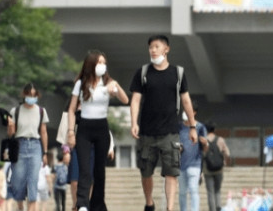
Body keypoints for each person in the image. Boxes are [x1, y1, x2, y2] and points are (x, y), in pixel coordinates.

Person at [129, 34, 200, 211]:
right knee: (146, 173)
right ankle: (149, 202)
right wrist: (133, 122)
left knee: (171, 173)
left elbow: (186, 101)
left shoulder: (178, 73)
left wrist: (192, 127)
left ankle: (169, 208)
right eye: (150, 47)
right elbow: (135, 100)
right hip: (146, 132)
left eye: (156, 47)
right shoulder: (143, 72)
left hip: (170, 132)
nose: (153, 50)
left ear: (166, 49)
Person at [67, 50, 128, 211]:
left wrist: (116, 86)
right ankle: (82, 204)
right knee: (85, 169)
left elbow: (125, 99)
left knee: (99, 171)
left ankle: (98, 205)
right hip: (85, 129)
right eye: (99, 62)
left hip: (101, 128)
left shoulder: (108, 83)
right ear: (91, 65)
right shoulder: (81, 84)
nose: (102, 65)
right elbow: (72, 109)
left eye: (104, 62)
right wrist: (71, 132)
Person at [7, 83, 50, 211]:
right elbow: (11, 134)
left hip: (36, 146)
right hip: (19, 146)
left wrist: (45, 152)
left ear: (37, 95)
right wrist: (10, 126)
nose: (31, 97)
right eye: (29, 95)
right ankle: (20, 206)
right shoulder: (16, 111)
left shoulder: (41, 111)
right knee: (18, 180)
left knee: (33, 180)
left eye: (34, 95)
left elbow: (43, 132)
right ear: (24, 94)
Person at [178, 103, 208, 211]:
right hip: (181, 165)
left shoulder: (200, 127)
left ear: (194, 112)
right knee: (182, 192)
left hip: (195, 164)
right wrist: (178, 147)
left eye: (188, 110)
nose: (185, 113)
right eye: (184, 110)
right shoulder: (179, 127)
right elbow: (174, 143)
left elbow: (205, 149)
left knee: (193, 190)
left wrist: (205, 143)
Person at [203, 121, 231, 211]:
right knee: (217, 190)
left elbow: (202, 155)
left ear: (206, 130)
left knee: (210, 192)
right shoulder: (221, 140)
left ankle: (212, 209)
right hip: (219, 169)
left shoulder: (203, 140)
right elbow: (228, 153)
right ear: (214, 129)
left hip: (207, 169)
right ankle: (218, 206)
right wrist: (224, 161)